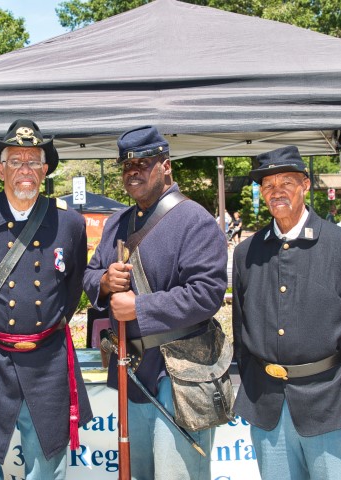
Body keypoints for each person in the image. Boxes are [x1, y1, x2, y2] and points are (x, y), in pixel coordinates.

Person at [0, 119, 93, 480]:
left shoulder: (68, 224)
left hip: (47, 359)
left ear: (44, 169)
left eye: (33, 161)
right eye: (16, 161)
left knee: (48, 464)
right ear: (0, 168)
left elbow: (72, 289)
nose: (25, 170)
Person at [232, 145, 341, 479]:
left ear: (305, 184)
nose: (277, 191)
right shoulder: (246, 253)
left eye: (286, 181)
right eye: (268, 185)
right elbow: (241, 331)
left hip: (330, 404)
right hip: (267, 406)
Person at [83, 126, 228, 479]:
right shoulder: (118, 222)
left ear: (166, 167)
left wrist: (140, 308)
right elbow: (89, 275)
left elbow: (207, 294)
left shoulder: (195, 220)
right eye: (127, 166)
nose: (133, 172)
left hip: (180, 373)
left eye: (143, 163)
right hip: (132, 368)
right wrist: (103, 283)